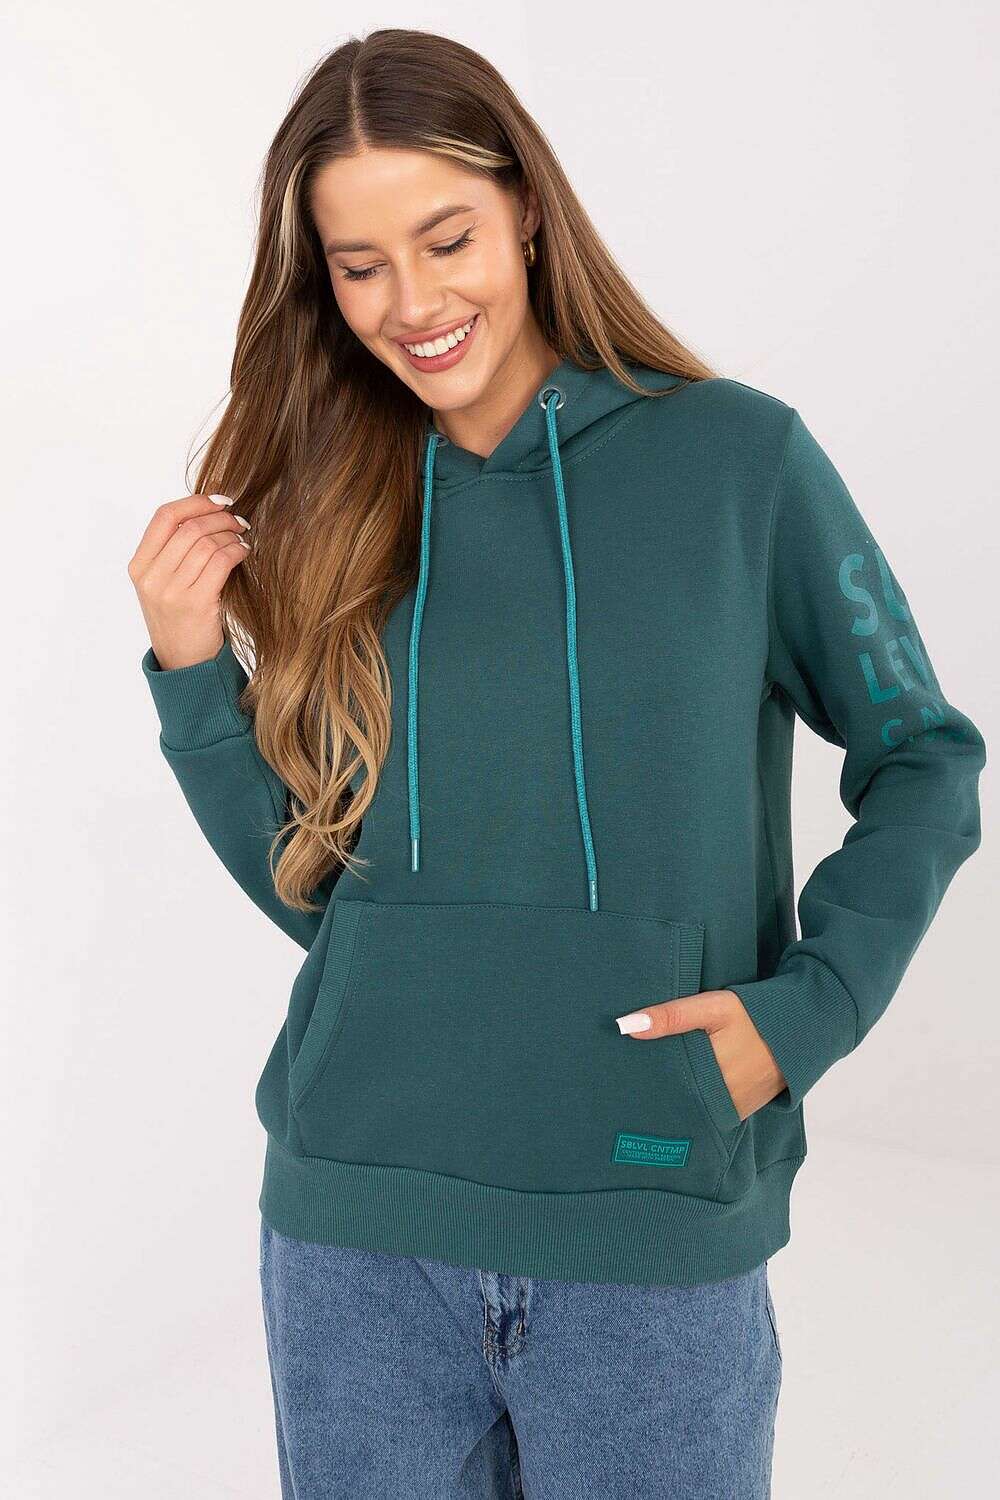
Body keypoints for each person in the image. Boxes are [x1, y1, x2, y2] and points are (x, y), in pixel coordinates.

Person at [128, 27, 985, 1500]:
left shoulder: (738, 464)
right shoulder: (328, 507)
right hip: (356, 1240)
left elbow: (925, 758)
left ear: (527, 207)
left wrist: (809, 1012)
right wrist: (196, 677)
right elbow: (324, 899)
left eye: (446, 237)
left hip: (648, 1229)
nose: (413, 304)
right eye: (360, 265)